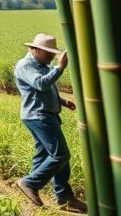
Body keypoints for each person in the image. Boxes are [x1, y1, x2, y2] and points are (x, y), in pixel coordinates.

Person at [14, 33, 86, 213]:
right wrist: (60, 67)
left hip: (46, 114)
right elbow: (40, 84)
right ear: (36, 50)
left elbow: (45, 90)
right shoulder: (26, 65)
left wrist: (61, 101)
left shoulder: (42, 64)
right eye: (49, 53)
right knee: (60, 155)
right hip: (38, 116)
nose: (53, 57)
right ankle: (30, 183)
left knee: (45, 154)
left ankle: (62, 197)